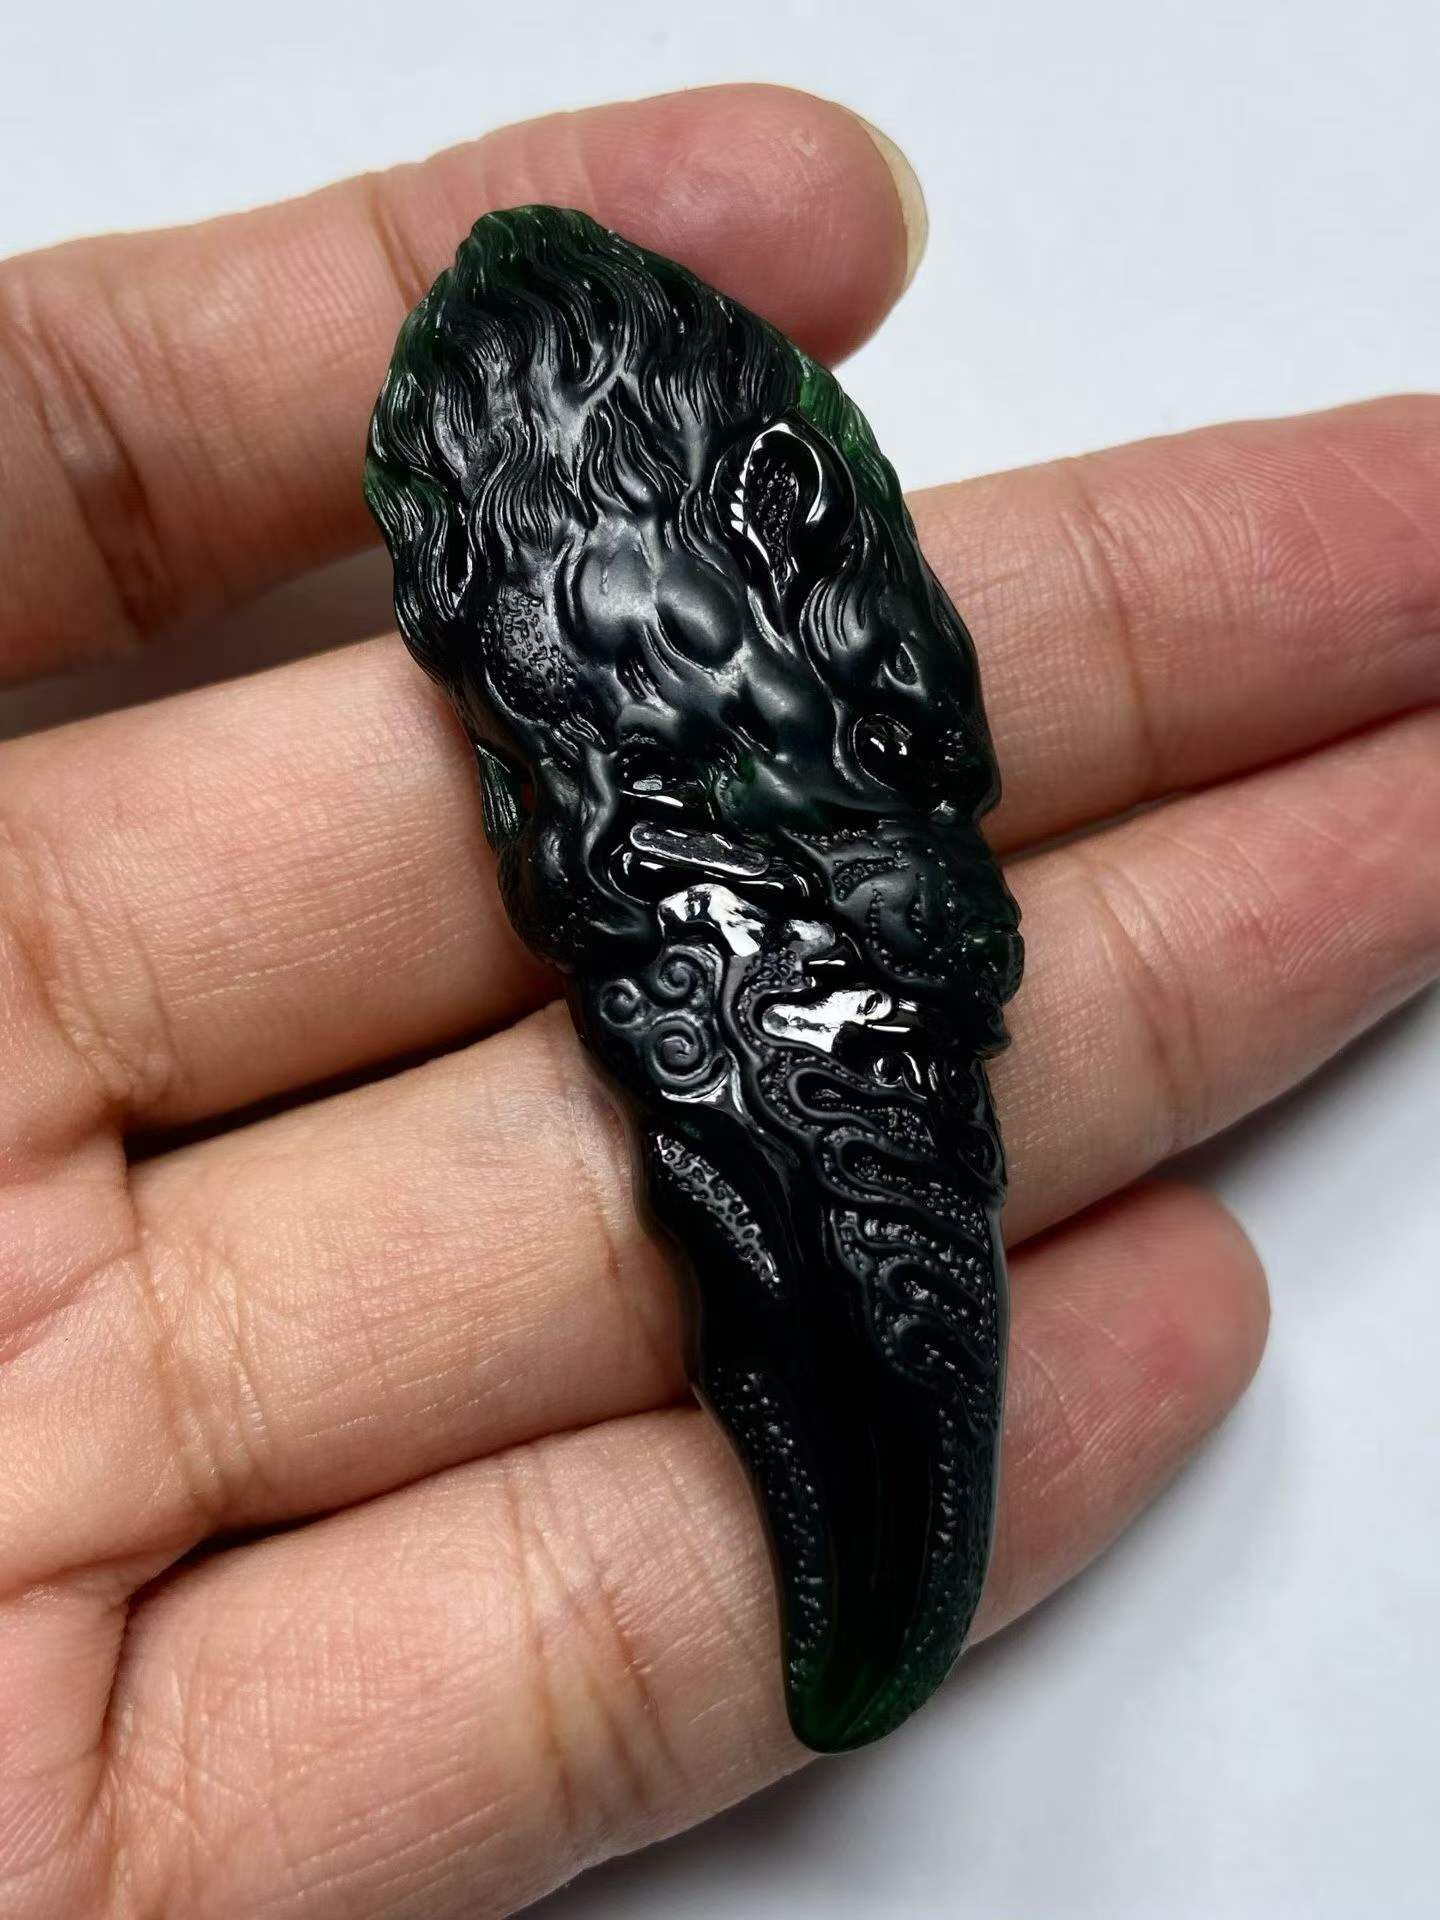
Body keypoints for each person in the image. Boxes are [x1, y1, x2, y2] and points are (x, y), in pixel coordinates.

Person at [0, 82, 1434, 1920]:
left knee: (853, 1266)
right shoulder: (609, 676)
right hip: (730, 937)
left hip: (805, 919)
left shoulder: (787, 628)